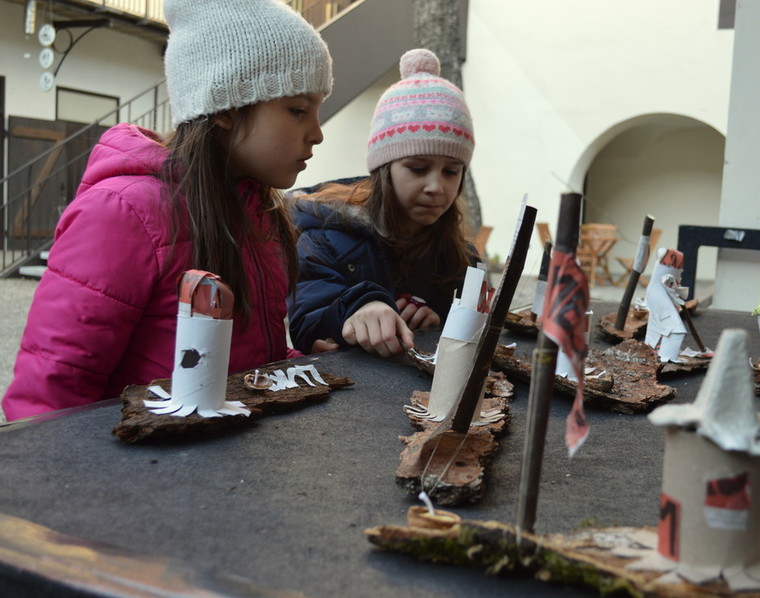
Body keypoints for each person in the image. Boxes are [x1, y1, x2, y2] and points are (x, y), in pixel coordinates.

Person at [1, 0, 333, 421]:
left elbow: (244, 357)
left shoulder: (260, 210)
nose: (317, 133)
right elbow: (49, 395)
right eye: (299, 110)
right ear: (226, 108)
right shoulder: (124, 214)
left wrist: (298, 366)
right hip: (143, 459)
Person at [288, 48, 478, 358]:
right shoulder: (324, 237)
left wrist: (435, 323)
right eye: (418, 168)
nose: (436, 187)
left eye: (451, 172)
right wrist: (356, 310)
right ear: (383, 169)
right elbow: (308, 326)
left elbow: (471, 332)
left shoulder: (460, 257)